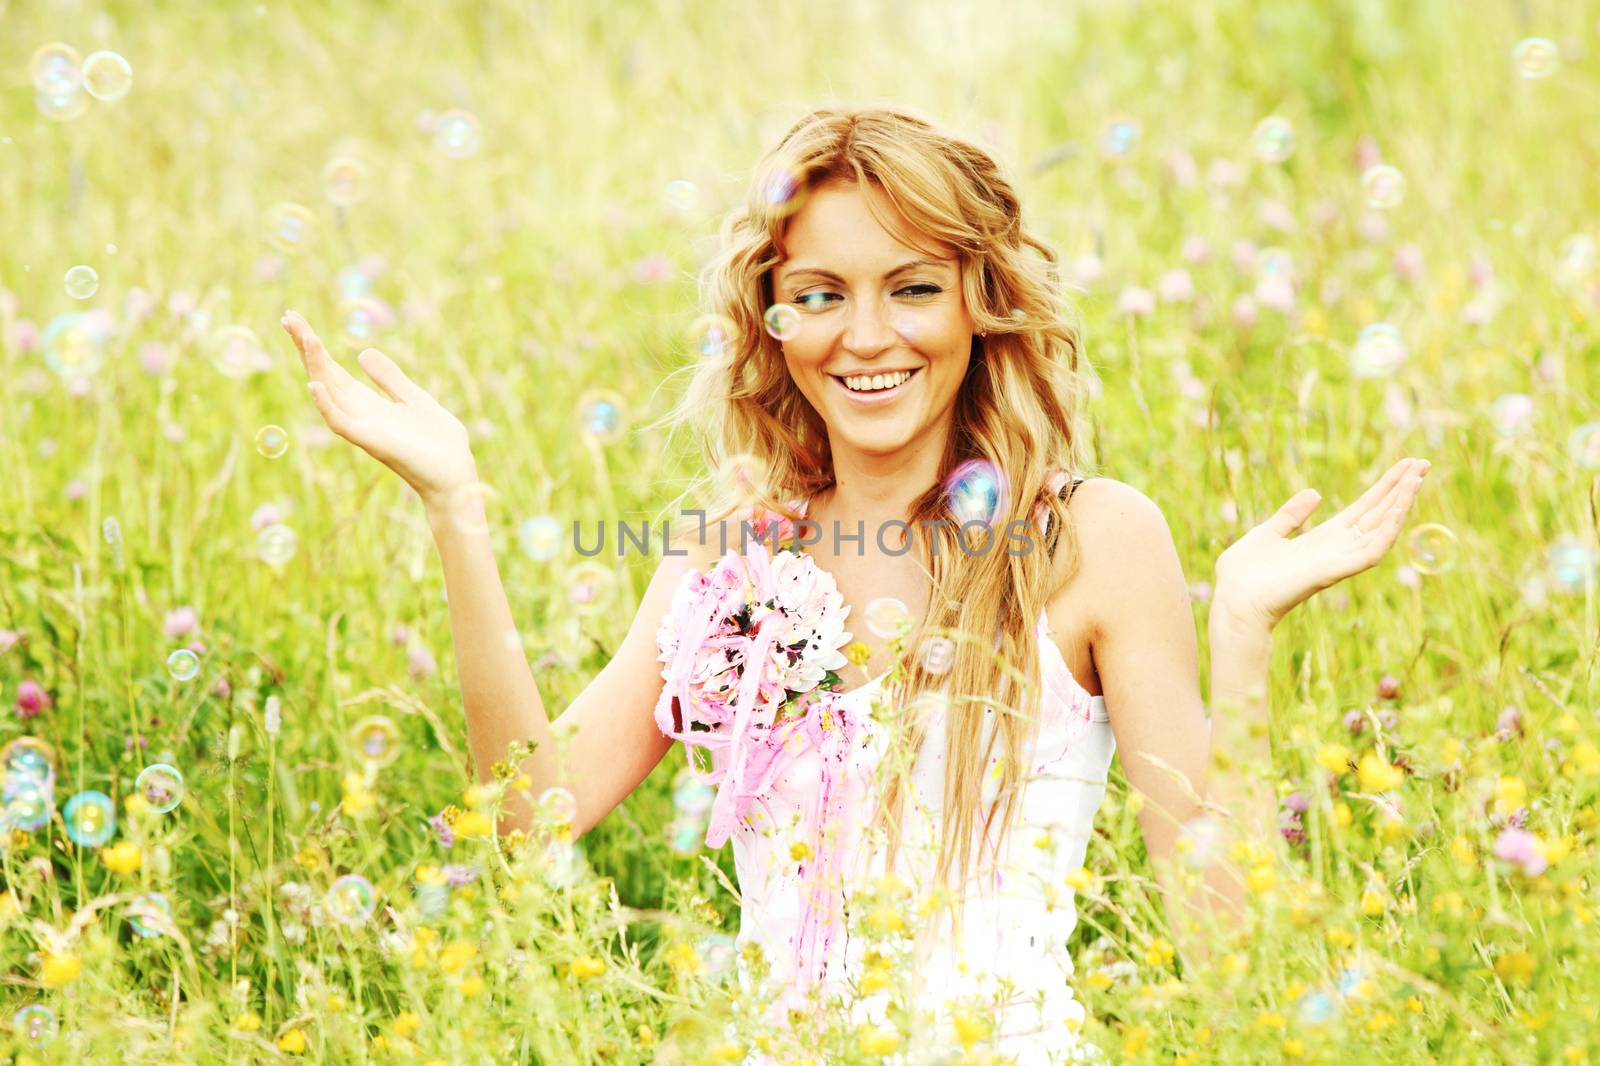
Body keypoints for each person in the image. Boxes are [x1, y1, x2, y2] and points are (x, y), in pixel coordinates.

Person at [281, 102, 1430, 1064]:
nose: (865, 334)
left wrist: (1240, 628)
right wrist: (455, 509)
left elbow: (1225, 941)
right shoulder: (729, 549)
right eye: (821, 292)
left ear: (981, 302)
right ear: (773, 321)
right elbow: (530, 817)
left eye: (913, 288)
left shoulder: (1092, 538)